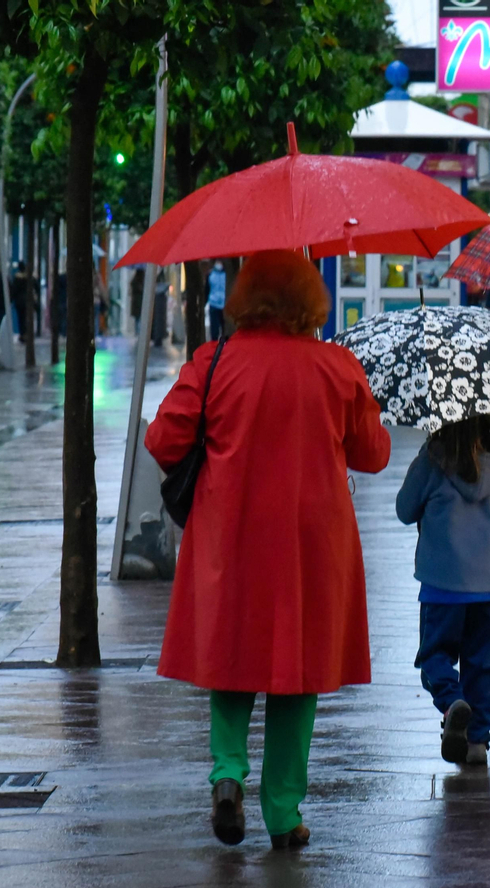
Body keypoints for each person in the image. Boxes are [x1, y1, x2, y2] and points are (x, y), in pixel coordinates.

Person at [145, 249, 391, 850]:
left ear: (246, 297)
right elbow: (374, 454)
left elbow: (162, 438)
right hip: (312, 542)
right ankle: (283, 812)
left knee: (232, 658)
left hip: (231, 532)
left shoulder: (214, 361)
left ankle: (227, 774)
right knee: (297, 674)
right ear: (310, 302)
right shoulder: (337, 367)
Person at [395, 415, 490, 768]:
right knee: (483, 662)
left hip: (442, 582)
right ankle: (478, 741)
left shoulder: (434, 456)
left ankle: (452, 703)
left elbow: (405, 509)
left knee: (434, 656)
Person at [207, 261, 228, 341]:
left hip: (220, 304)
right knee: (216, 330)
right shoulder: (211, 274)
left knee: (221, 329)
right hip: (216, 304)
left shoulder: (212, 274)